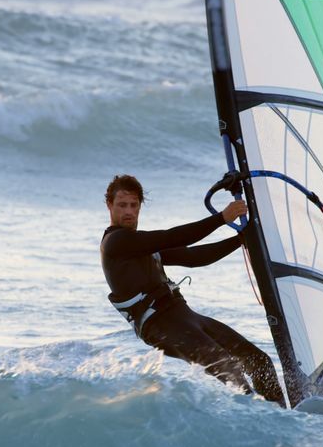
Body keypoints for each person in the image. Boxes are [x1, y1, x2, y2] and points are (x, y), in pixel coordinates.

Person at [100, 174, 285, 407]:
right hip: (160, 325)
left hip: (184, 316)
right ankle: (255, 421)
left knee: (259, 360)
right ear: (109, 205)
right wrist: (221, 218)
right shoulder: (116, 243)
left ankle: (283, 415)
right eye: (122, 205)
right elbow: (172, 236)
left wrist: (241, 240)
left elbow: (194, 257)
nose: (128, 211)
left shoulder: (142, 245)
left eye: (133, 205)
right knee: (228, 370)